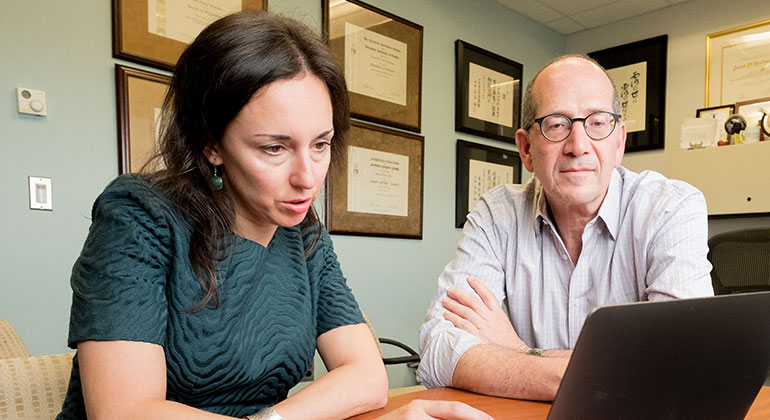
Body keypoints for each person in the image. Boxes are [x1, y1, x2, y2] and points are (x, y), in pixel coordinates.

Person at [56, 11, 491, 420]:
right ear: (211, 144)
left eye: (320, 144)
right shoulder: (138, 217)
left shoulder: (303, 233)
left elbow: (368, 376)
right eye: (274, 148)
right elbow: (126, 412)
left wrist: (275, 418)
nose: (307, 179)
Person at [417, 55, 714, 402]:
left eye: (597, 123)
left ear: (618, 142)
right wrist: (602, 372)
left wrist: (522, 353)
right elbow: (438, 349)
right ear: (526, 150)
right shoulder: (496, 215)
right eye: (557, 125)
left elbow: (680, 364)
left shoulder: (670, 207)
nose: (578, 146)